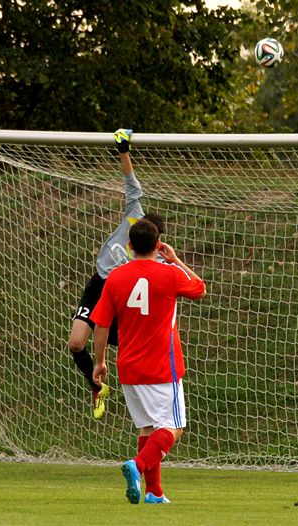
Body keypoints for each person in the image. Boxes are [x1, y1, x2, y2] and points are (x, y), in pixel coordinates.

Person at [90, 219, 205, 504]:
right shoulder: (169, 274)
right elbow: (200, 288)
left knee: (148, 428)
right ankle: (137, 466)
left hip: (129, 367)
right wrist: (176, 259)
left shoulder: (115, 277)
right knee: (173, 428)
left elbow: (102, 324)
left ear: (129, 247)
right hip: (163, 366)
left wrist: (100, 362)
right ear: (157, 245)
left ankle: (154, 492)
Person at [68, 128, 166, 420]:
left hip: (121, 294)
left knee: (133, 347)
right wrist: (123, 149)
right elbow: (131, 184)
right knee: (75, 344)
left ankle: (152, 397)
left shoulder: (154, 255)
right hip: (99, 284)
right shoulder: (135, 214)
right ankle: (97, 387)